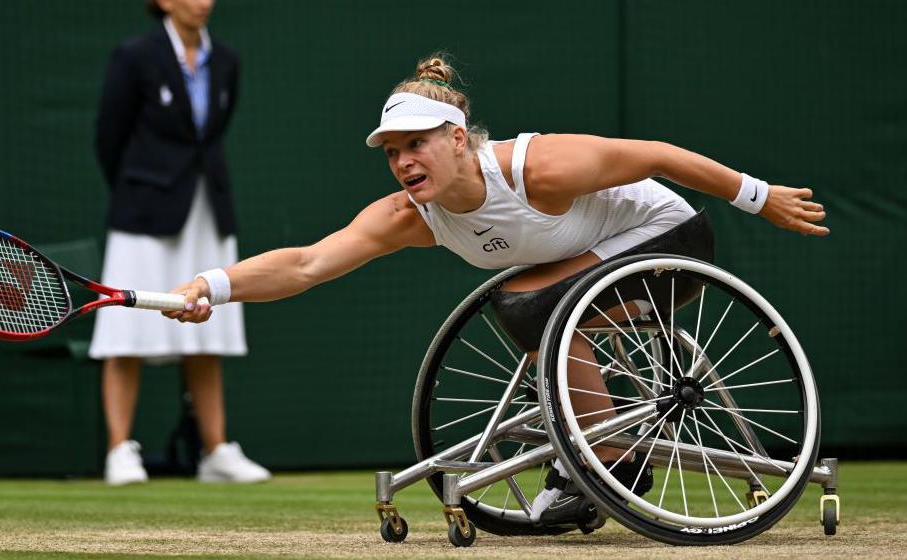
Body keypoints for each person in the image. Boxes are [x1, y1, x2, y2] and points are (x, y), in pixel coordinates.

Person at [164, 55, 827, 523]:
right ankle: (596, 451)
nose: (401, 162)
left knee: (532, 306)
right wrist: (211, 286)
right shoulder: (408, 215)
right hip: (583, 274)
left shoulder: (536, 167)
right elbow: (307, 264)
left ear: (457, 140)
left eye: (414, 145)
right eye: (391, 151)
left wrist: (759, 196)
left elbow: (655, 154)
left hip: (669, 243)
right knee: (531, 308)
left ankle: (603, 465)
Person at [88, 0, 270, 486]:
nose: (203, 2)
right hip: (143, 210)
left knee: (206, 326)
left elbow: (211, 134)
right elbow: (110, 138)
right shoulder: (134, 57)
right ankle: (119, 451)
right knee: (125, 336)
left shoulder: (227, 60)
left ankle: (215, 452)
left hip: (207, 207)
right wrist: (143, 188)